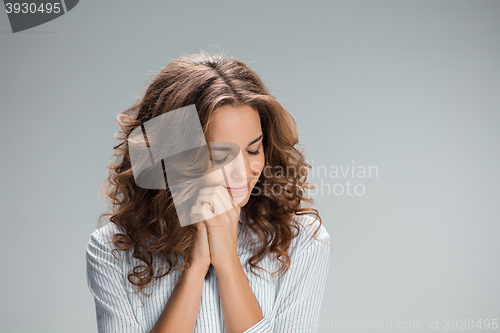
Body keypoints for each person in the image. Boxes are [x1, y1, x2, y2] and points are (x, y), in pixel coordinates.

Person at [86, 51, 331, 333]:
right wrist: (194, 267)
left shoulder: (302, 239)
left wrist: (227, 262)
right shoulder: (113, 250)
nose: (243, 172)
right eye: (221, 156)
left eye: (254, 149)